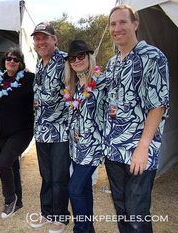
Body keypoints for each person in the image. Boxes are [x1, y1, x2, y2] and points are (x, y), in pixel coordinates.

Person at [104, 5, 169, 233]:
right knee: (121, 211)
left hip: (138, 152)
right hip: (114, 152)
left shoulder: (152, 56)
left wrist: (142, 147)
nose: (117, 28)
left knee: (136, 215)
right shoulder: (113, 63)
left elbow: (158, 105)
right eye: (113, 24)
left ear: (135, 24)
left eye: (123, 22)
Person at [30, 22, 71, 233]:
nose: (40, 42)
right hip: (42, 131)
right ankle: (47, 214)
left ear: (54, 39)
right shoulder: (39, 64)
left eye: (45, 37)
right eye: (37, 38)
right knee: (46, 176)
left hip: (60, 132)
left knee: (59, 177)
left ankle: (61, 217)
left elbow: (75, 95)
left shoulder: (65, 61)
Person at [64, 40, 105, 233]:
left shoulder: (100, 80)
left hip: (93, 147)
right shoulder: (73, 86)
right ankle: (89, 229)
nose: (77, 60)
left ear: (89, 57)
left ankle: (81, 229)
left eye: (81, 56)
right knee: (84, 189)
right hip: (76, 148)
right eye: (73, 58)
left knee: (74, 189)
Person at [0, 48, 34, 219]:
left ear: (21, 63)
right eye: (9, 58)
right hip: (3, 132)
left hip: (22, 131)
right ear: (4, 61)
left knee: (3, 163)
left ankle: (10, 199)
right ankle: (19, 201)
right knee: (13, 166)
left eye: (16, 60)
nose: (12, 62)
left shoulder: (29, 78)